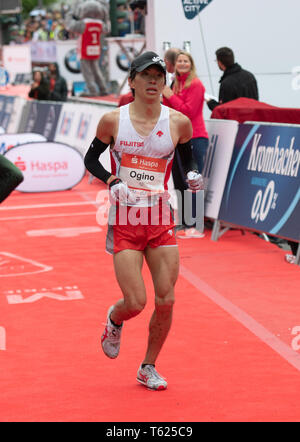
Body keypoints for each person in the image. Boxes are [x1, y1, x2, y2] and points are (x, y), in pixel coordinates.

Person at [84, 51, 203, 390]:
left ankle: (148, 366)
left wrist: (195, 179)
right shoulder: (112, 121)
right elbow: (91, 158)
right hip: (126, 217)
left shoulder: (178, 122)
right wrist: (112, 180)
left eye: (159, 76)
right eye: (146, 75)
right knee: (136, 301)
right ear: (132, 81)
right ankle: (114, 319)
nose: (153, 81)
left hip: (160, 216)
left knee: (166, 299)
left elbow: (187, 164)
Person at [162, 50, 208, 238]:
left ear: (191, 63)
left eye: (185, 61)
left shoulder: (195, 84)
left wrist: (169, 95)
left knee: (193, 182)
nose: (182, 63)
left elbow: (187, 112)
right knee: (179, 181)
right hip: (176, 138)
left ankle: (197, 225)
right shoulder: (176, 84)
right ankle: (184, 221)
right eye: (179, 61)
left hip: (194, 137)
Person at [66, 0, 109, 97]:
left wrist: (70, 13)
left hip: (84, 49)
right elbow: (107, 29)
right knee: (96, 69)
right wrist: (106, 17)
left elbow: (69, 26)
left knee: (87, 72)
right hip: (95, 48)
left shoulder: (83, 23)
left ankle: (92, 90)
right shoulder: (100, 24)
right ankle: (103, 88)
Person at [206, 47, 259, 111]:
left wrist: (210, 103)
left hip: (237, 120)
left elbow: (224, 111)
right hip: (253, 119)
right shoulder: (250, 76)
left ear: (220, 62)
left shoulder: (226, 83)